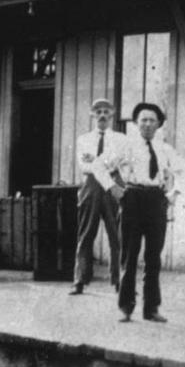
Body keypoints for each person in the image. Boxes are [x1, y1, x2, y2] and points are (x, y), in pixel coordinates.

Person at [92, 102, 185, 324]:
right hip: (132, 198)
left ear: (158, 124)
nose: (146, 124)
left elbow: (182, 169)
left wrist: (174, 193)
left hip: (156, 201)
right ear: (136, 123)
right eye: (142, 120)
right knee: (129, 254)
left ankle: (151, 309)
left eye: (151, 120)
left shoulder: (164, 148)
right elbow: (98, 165)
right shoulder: (125, 146)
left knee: (154, 257)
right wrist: (113, 188)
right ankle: (125, 307)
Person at [69, 98, 123, 296]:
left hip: (113, 188)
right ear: (92, 114)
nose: (102, 115)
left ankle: (119, 281)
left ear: (112, 114)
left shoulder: (119, 139)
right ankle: (79, 280)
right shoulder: (84, 139)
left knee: (117, 235)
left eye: (106, 111)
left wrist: (99, 161)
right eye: (98, 111)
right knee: (85, 234)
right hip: (90, 187)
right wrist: (104, 162)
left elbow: (116, 163)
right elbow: (85, 165)